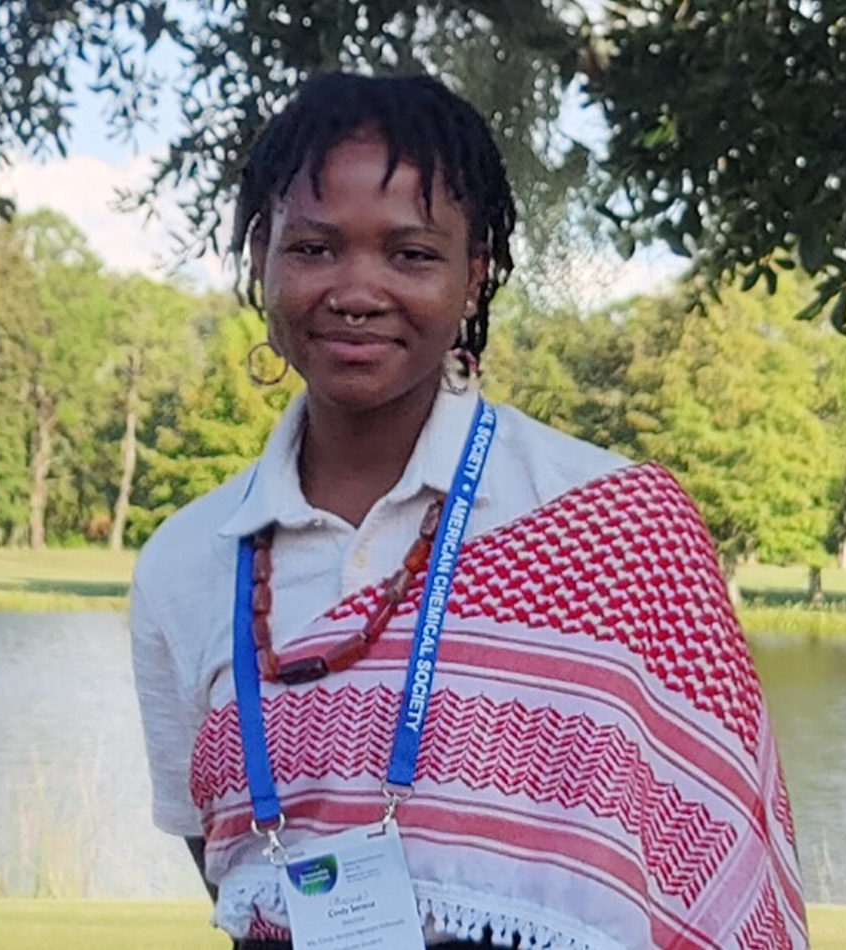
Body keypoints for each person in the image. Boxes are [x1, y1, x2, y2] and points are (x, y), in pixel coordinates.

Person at [130, 72, 807, 950]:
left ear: (473, 276)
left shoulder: (619, 525)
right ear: (262, 257)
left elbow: (719, 862)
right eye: (313, 248)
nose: (357, 289)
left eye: (411, 254)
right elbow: (225, 863)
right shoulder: (187, 562)